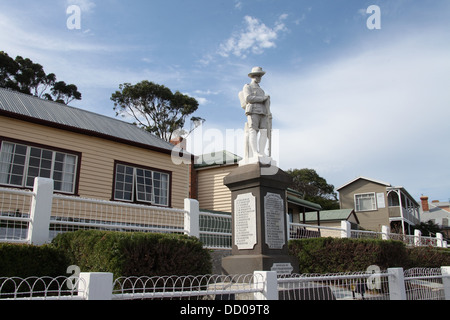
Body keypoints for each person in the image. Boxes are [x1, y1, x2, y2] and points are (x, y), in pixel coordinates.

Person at [241, 67, 272, 158]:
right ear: (253, 76)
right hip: (253, 110)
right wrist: (262, 98)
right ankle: (255, 152)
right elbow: (248, 98)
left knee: (264, 131)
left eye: (260, 76)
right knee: (253, 131)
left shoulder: (261, 90)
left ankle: (261, 152)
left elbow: (265, 102)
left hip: (263, 112)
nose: (259, 78)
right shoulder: (247, 86)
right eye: (258, 76)